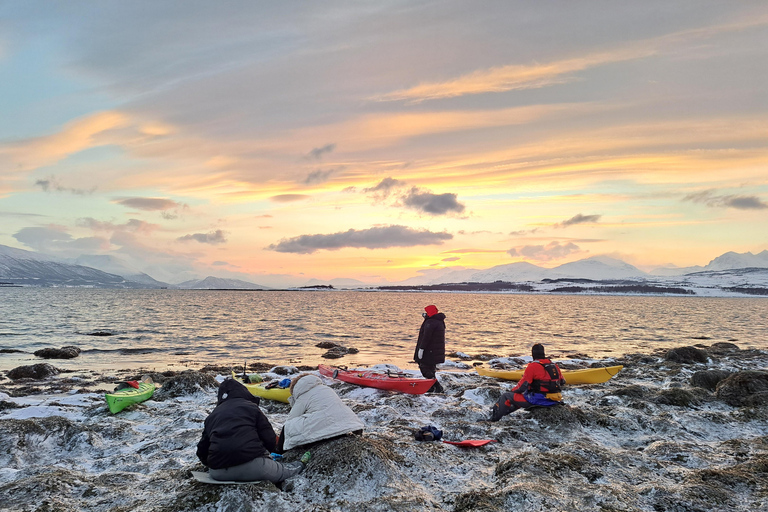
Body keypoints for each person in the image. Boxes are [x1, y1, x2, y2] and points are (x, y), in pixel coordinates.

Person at [196, 378, 309, 484]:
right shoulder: (251, 407)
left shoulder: (212, 416)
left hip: (218, 473)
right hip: (254, 468)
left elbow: (202, 450)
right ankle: (300, 464)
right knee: (286, 470)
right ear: (243, 392)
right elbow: (269, 438)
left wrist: (215, 463)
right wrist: (273, 454)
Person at [276, 373, 364, 453]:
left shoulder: (303, 396)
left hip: (324, 424)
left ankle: (279, 452)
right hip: (351, 423)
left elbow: (290, 420)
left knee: (287, 427)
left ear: (295, 388)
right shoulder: (327, 389)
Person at [489, 343, 566, 421]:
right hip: (555, 400)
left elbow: (521, 387)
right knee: (524, 395)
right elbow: (562, 381)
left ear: (533, 354)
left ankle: (493, 420)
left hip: (539, 400)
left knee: (506, 396)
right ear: (543, 353)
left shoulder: (532, 366)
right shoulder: (554, 365)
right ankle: (503, 413)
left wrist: (512, 391)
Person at [413, 304, 446, 393]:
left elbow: (426, 337)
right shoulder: (438, 321)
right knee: (431, 368)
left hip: (429, 350)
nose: (425, 314)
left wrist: (421, 349)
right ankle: (431, 387)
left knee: (424, 367)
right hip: (435, 350)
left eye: (427, 312)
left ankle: (437, 387)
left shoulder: (430, 323)